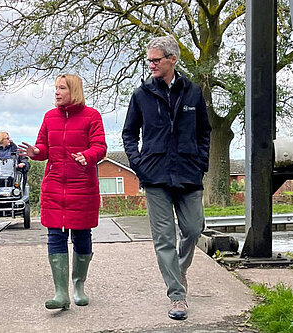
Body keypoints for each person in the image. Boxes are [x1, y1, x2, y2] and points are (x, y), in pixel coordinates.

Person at [122, 35, 211, 320]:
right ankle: (177, 296)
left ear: (172, 59)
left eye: (156, 60)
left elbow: (204, 131)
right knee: (164, 239)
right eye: (149, 60)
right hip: (156, 176)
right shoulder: (141, 95)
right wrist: (139, 165)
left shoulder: (193, 92)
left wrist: (200, 163)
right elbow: (128, 134)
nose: (151, 65)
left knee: (194, 229)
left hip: (188, 173)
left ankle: (179, 269)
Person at [19, 74, 107, 310]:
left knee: (81, 236)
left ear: (74, 90)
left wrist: (86, 156)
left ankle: (79, 286)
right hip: (55, 185)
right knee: (55, 235)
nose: (56, 92)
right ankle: (61, 292)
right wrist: (35, 151)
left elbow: (100, 147)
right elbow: (44, 147)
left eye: (61, 88)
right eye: (55, 88)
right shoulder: (49, 117)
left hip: (82, 187)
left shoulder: (92, 116)